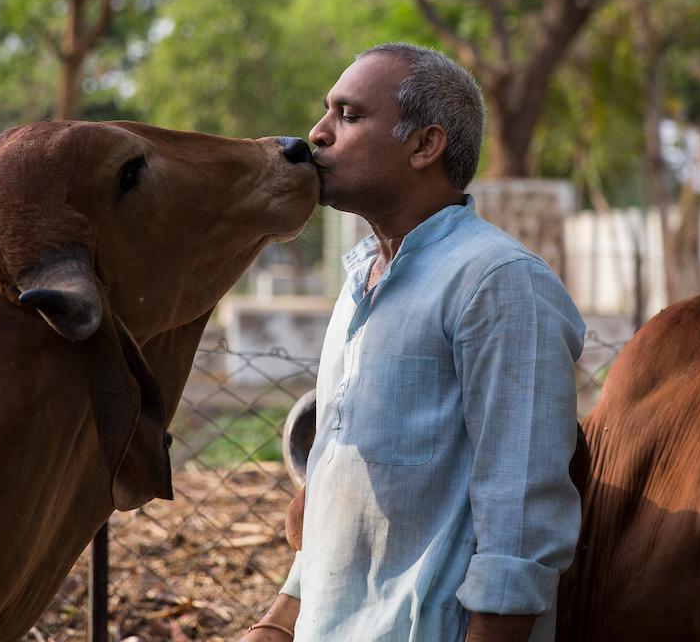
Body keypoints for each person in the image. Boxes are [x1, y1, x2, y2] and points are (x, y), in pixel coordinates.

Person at [242, 43, 585, 642]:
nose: (316, 135)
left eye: (348, 116)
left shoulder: (498, 283)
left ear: (425, 146)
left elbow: (521, 517)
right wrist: (278, 622)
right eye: (327, 112)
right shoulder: (358, 283)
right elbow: (333, 487)